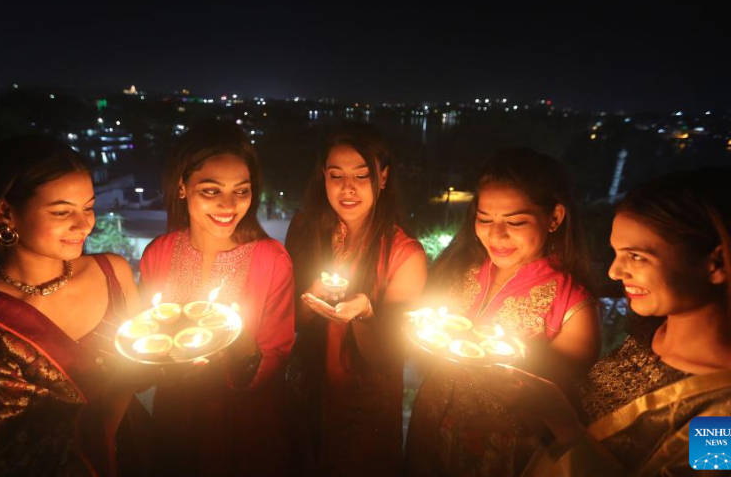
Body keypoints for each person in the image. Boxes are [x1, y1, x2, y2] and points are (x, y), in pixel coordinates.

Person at [489, 168, 731, 476]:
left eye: (637, 256)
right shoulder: (648, 337)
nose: (615, 272)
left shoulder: (722, 418)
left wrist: (563, 424)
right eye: (616, 253)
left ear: (716, 263)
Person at [0, 136, 147, 476]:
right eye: (62, 211)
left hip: (137, 448)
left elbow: (144, 370)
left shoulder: (113, 273)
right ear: (6, 212)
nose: (83, 224)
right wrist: (122, 387)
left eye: (88, 207)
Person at [404, 149, 601, 477]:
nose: (496, 235)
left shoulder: (572, 306)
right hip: (430, 430)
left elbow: (562, 401)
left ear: (554, 218)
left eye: (515, 222)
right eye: (485, 219)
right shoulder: (462, 273)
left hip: (504, 453)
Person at [139, 120, 295, 476]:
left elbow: (277, 353)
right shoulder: (158, 253)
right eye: (211, 191)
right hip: (176, 416)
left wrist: (239, 348)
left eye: (241, 190)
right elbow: (149, 330)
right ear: (182, 187)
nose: (229, 205)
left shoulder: (272, 260)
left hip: (243, 423)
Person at [285, 122, 427, 476]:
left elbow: (389, 356)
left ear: (383, 178)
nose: (347, 188)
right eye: (336, 176)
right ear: (323, 177)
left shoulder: (404, 254)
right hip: (305, 387)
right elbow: (288, 326)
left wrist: (364, 314)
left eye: (361, 176)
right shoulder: (305, 230)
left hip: (364, 405)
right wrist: (311, 298)